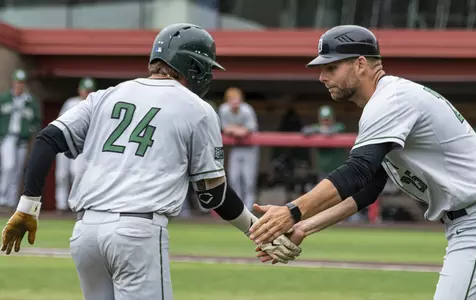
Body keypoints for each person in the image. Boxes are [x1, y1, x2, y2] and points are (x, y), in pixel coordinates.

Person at [0, 23, 300, 300]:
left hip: (85, 233)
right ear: (192, 66)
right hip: (137, 231)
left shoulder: (106, 95)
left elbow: (46, 140)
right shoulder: (198, 108)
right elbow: (213, 194)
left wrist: (27, 208)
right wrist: (256, 229)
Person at [249, 25, 476, 300]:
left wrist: (293, 211)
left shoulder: (391, 100)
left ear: (360, 64)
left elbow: (357, 171)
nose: (322, 77)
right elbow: (368, 188)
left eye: (331, 68)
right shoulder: (386, 101)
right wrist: (304, 227)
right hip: (475, 217)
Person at [0, 69, 41, 211]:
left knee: (17, 170)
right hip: (8, 137)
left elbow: (37, 120)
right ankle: (2, 199)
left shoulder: (29, 101)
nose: (19, 85)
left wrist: (30, 131)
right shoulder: (4, 98)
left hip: (22, 138)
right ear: (13, 82)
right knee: (8, 167)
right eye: (17, 82)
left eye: (21, 83)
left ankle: (11, 201)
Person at [55, 77, 96, 214]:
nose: (86, 93)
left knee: (76, 174)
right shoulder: (70, 102)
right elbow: (60, 122)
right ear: (80, 90)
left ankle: (75, 203)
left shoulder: (94, 104)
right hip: (65, 141)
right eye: (85, 90)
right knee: (62, 175)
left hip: (80, 144)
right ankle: (61, 205)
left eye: (89, 90)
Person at [218, 87, 259, 211]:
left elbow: (249, 129)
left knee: (249, 180)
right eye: (232, 100)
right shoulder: (224, 109)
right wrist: (238, 129)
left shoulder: (246, 109)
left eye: (237, 100)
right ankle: (238, 208)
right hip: (236, 148)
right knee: (234, 177)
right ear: (228, 101)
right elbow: (225, 129)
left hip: (250, 148)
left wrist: (235, 129)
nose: (235, 102)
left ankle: (249, 209)